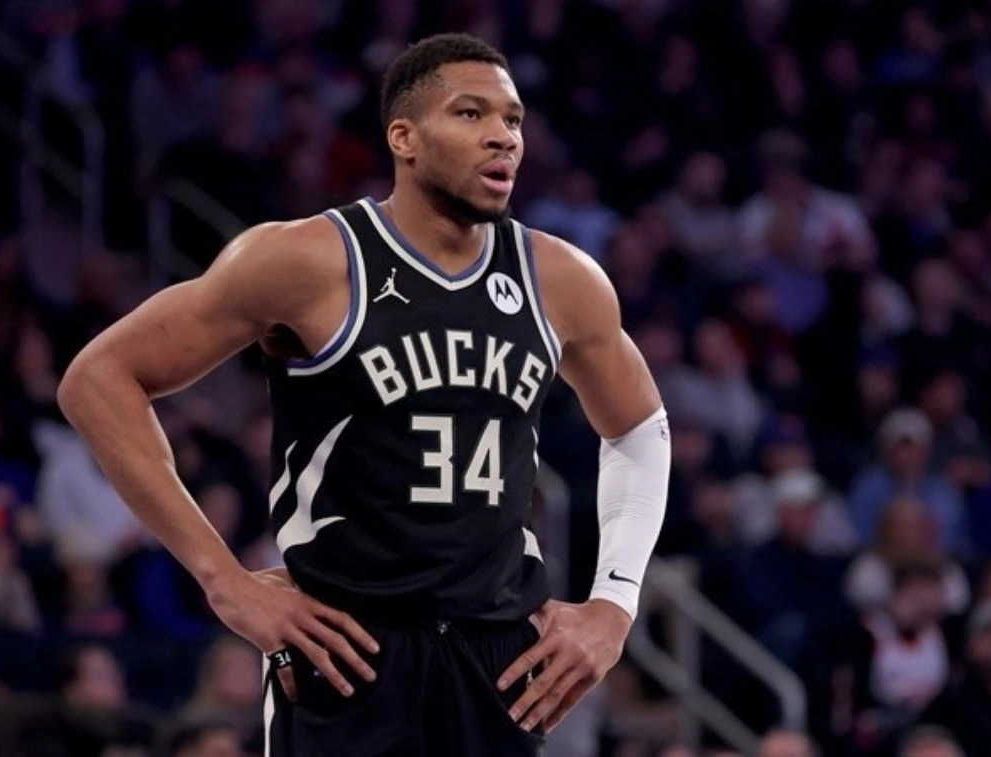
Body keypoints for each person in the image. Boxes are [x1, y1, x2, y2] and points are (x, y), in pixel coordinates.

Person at [57, 33, 669, 757]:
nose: (503, 136)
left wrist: (614, 602)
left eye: (513, 119)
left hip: (498, 652)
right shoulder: (306, 259)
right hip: (346, 647)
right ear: (404, 137)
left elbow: (640, 428)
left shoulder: (561, 277)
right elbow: (98, 379)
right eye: (471, 113)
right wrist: (222, 579)